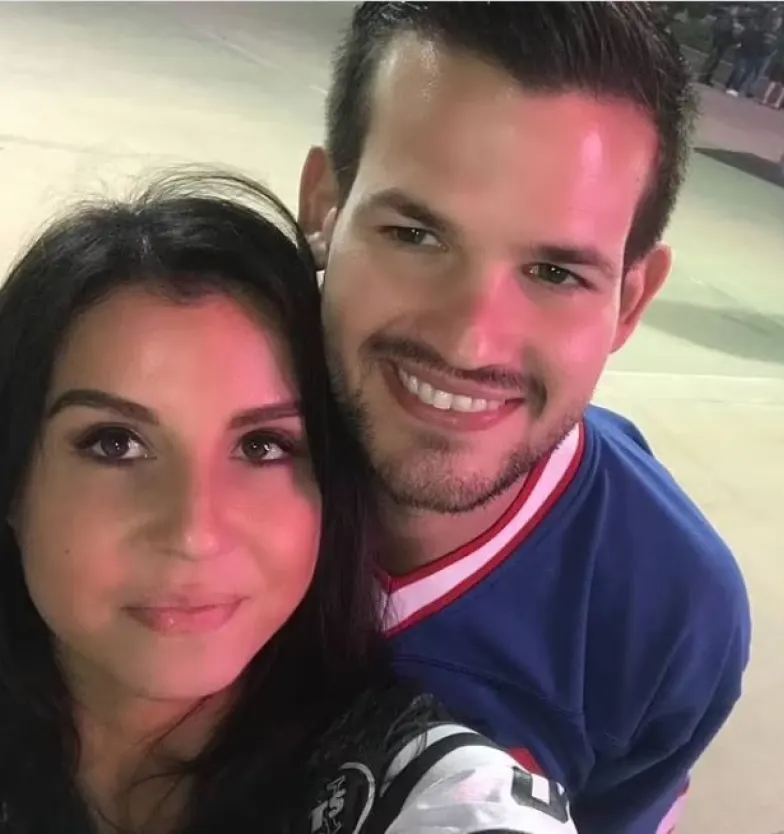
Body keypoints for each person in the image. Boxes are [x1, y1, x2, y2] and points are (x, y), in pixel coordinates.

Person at [0, 170, 578, 834]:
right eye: (114, 443)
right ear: (14, 481)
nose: (194, 532)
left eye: (262, 447)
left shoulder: (437, 798)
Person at [298, 4, 751, 834]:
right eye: (415, 235)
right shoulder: (186, 451)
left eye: (554, 272)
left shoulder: (668, 615)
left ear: (630, 301)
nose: (469, 341)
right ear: (324, 207)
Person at [698, 6, 739, 85]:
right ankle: (703, 78)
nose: (737, 11)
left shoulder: (726, 18)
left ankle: (705, 78)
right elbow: (725, 32)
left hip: (719, 42)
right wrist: (733, 40)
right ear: (732, 9)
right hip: (719, 43)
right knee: (712, 61)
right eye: (736, 9)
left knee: (713, 61)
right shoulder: (727, 19)